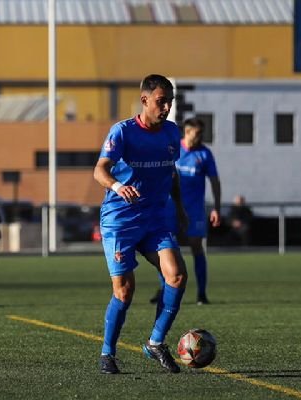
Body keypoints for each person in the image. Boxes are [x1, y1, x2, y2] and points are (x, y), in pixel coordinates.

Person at [93, 74, 188, 374]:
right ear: (145, 100)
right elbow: (99, 170)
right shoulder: (122, 132)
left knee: (176, 276)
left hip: (156, 219)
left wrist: (180, 207)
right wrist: (118, 186)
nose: (167, 107)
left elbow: (171, 173)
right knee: (124, 291)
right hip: (120, 221)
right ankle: (108, 353)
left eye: (170, 102)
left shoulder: (172, 133)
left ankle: (156, 343)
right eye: (161, 101)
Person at [150, 117, 221, 305]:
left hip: (195, 210)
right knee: (165, 248)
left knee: (196, 247)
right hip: (169, 209)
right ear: (187, 132)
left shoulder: (204, 154)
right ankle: (164, 289)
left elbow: (215, 181)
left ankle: (202, 294)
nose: (199, 138)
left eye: (201, 134)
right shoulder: (174, 150)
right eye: (196, 134)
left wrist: (217, 208)